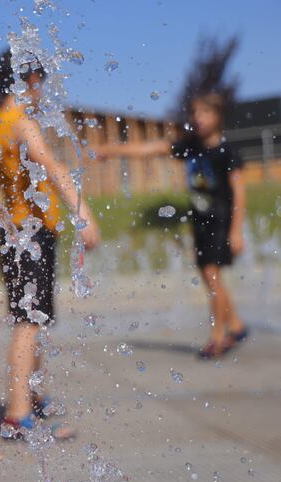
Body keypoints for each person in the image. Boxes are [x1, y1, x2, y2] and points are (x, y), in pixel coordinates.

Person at [0, 50, 101, 440]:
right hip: (32, 235)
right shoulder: (23, 124)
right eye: (41, 81)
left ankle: (34, 396)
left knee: (33, 320)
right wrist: (83, 214)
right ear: (31, 80)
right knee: (28, 324)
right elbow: (54, 167)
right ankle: (18, 412)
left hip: (13, 237)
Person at [95, 92, 248, 358]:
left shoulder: (227, 152)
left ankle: (218, 337)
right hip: (200, 223)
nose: (198, 118)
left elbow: (239, 192)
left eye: (204, 113)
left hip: (221, 224)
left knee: (212, 277)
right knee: (211, 278)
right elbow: (153, 149)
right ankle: (236, 325)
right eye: (195, 113)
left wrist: (236, 231)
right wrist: (112, 150)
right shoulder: (192, 146)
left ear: (218, 116)